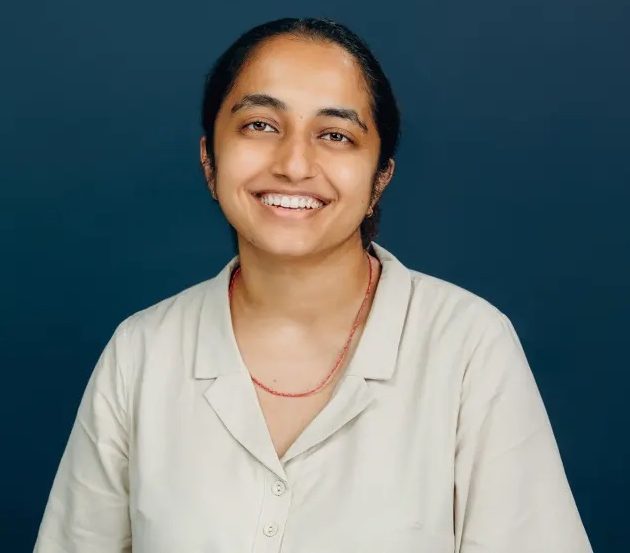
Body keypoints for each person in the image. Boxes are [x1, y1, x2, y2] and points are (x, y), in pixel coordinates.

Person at [33, 17, 593, 553]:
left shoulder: (469, 346)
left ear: (380, 179)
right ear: (209, 160)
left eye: (335, 134)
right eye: (260, 125)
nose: (295, 164)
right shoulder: (142, 353)